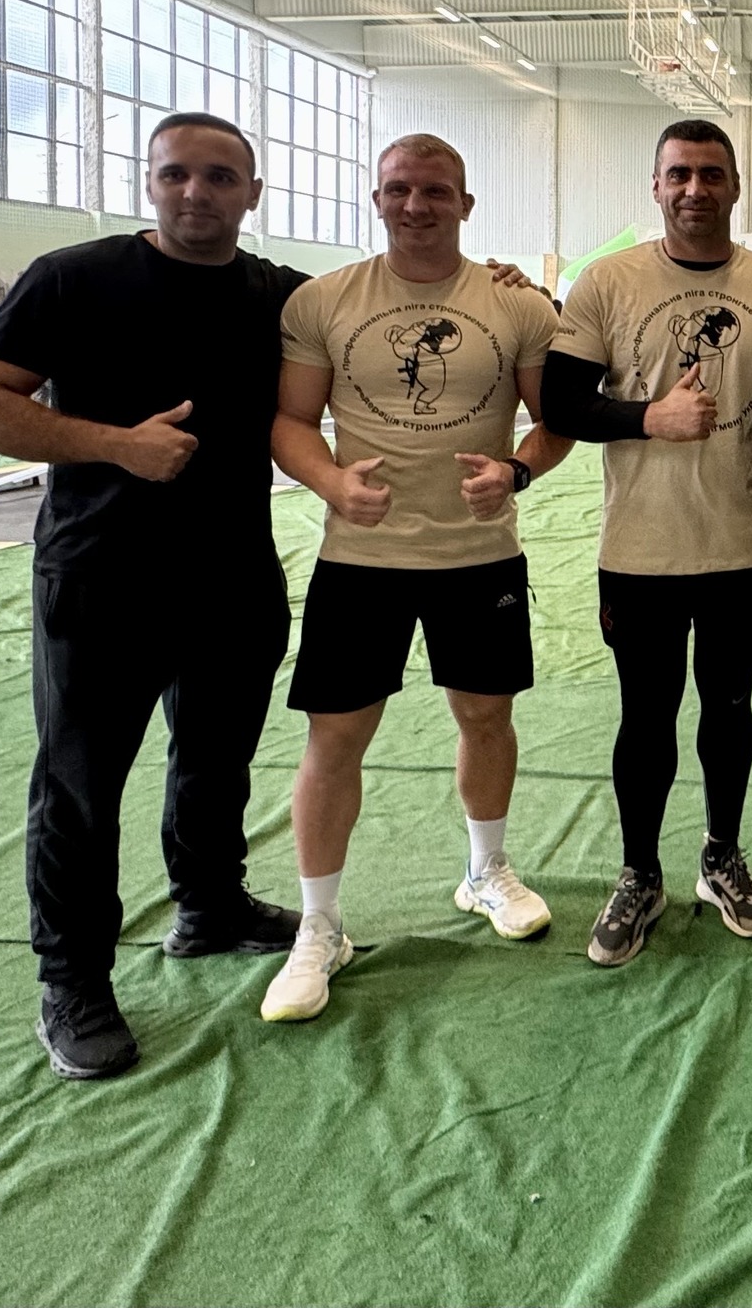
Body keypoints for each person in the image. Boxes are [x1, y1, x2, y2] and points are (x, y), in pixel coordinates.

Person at [0, 113, 305, 1080]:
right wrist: (115, 445)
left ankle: (210, 906)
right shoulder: (74, 278)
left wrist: (497, 285)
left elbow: (383, 312)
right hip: (102, 575)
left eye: (220, 177)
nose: (197, 192)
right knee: (80, 785)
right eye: (177, 173)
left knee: (217, 759)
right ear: (149, 182)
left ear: (252, 193)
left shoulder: (277, 293)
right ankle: (72, 981)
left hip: (232, 573)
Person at [260, 133, 571, 1023]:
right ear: (376, 198)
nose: (416, 205)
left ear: (465, 204)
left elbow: (554, 422)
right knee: (335, 738)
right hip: (361, 561)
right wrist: (331, 483)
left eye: (436, 191)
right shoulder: (324, 301)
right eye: (399, 189)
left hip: (479, 556)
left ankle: (485, 869)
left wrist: (515, 471)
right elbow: (291, 420)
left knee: (486, 717)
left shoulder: (517, 305)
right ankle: (320, 925)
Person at [541, 119, 752, 966]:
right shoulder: (607, 282)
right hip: (641, 552)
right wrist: (650, 417)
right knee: (646, 717)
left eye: (711, 174)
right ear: (655, 185)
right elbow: (563, 405)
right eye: (679, 174)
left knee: (729, 710)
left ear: (735, 186)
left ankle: (721, 857)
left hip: (741, 547)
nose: (695, 189)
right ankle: (640, 873)